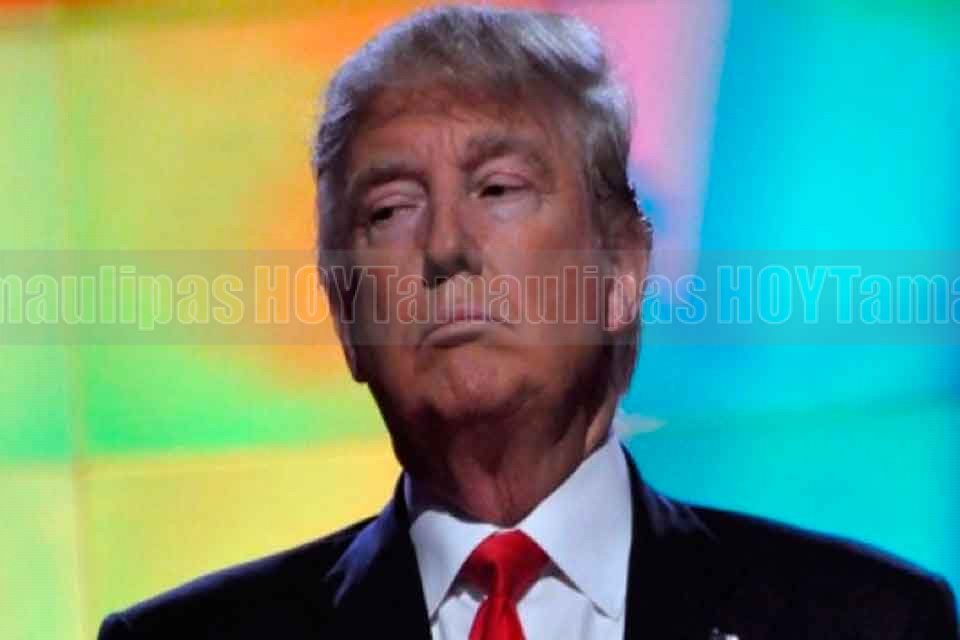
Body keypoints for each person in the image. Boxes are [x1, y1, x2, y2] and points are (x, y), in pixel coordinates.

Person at [99, 6, 958, 639]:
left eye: (498, 189)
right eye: (391, 209)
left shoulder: (866, 622)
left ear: (621, 270)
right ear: (345, 316)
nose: (444, 246)